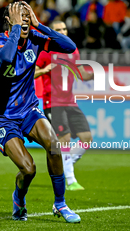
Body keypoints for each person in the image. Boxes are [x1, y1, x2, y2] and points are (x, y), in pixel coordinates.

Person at [0, 2, 81, 223]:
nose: (24, 19)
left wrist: (40, 25)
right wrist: (16, 28)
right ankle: (19, 198)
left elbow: (70, 47)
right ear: (9, 20)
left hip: (28, 109)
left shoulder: (35, 38)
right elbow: (6, 57)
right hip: (1, 118)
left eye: (27, 15)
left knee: (54, 145)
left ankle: (60, 203)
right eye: (19, 16)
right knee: (28, 169)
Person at [34, 20, 94, 191]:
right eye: (58, 29)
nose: (62, 32)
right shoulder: (46, 51)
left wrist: (93, 74)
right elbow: (32, 74)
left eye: (64, 29)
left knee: (86, 138)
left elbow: (81, 74)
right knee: (64, 139)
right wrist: (45, 70)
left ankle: (62, 162)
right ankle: (70, 179)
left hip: (70, 101)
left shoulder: (73, 50)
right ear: (52, 32)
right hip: (52, 102)